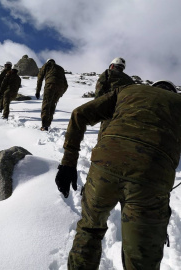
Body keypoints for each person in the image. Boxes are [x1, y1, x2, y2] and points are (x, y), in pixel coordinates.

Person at [55, 80, 181, 269]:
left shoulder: (127, 90)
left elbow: (79, 114)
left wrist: (68, 163)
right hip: (151, 178)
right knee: (142, 257)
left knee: (89, 229)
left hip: (105, 165)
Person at [95, 57, 135, 140]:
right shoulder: (130, 80)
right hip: (126, 112)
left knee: (104, 136)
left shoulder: (108, 73)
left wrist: (96, 107)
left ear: (112, 66)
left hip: (110, 109)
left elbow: (99, 90)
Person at [36, 59, 68, 131]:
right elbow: (66, 84)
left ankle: (44, 126)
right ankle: (47, 124)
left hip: (50, 85)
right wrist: (61, 93)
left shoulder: (46, 66)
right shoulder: (60, 68)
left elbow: (40, 78)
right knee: (52, 105)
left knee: (46, 105)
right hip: (60, 88)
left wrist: (37, 91)